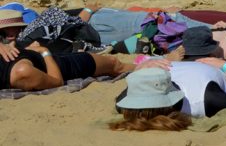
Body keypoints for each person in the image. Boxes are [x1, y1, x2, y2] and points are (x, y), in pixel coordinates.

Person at [111, 55, 226, 131]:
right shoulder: (205, 99)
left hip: (193, 66)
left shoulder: (124, 103)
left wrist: (143, 67)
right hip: (219, 74)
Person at [1, 9, 130, 91]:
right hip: (66, 64)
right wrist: (43, 51)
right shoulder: (22, 72)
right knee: (114, 65)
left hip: (61, 49)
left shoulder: (10, 49)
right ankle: (147, 69)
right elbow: (57, 81)